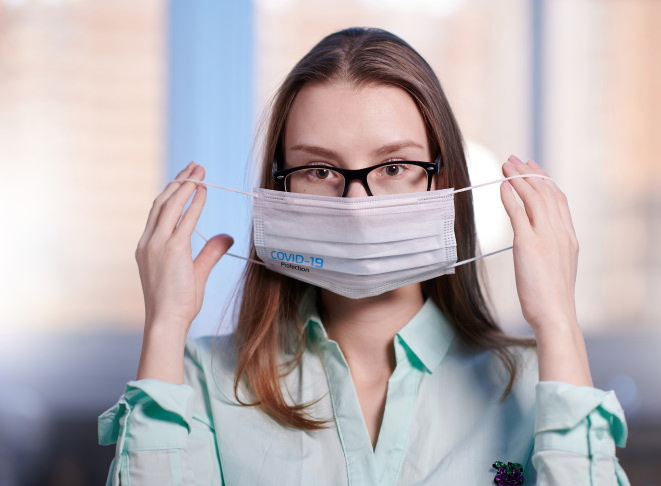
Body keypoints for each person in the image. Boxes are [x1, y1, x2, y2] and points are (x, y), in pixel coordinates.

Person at [99, 27, 630, 485]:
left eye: (394, 167)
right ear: (280, 188)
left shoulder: (538, 380)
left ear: (442, 181)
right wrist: (165, 326)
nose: (357, 204)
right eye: (321, 171)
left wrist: (558, 319)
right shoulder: (201, 381)